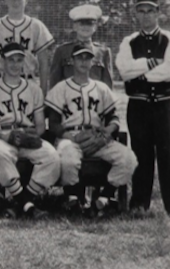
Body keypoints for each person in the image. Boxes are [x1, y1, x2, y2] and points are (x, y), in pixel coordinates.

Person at [45, 44, 137, 217]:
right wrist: (70, 137)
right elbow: (54, 123)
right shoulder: (61, 88)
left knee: (128, 159)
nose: (84, 61)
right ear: (72, 61)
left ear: (93, 62)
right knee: (68, 160)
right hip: (71, 136)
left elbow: (114, 118)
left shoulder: (101, 88)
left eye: (87, 58)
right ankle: (72, 199)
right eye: (80, 57)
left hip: (97, 136)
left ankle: (104, 197)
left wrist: (107, 133)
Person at [115, 0, 170, 219]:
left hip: (164, 106)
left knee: (169, 154)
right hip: (138, 107)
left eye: (150, 11)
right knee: (140, 154)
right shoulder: (129, 41)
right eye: (141, 11)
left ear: (158, 13)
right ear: (136, 14)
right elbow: (124, 71)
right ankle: (139, 204)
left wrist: (140, 74)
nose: (146, 16)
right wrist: (150, 64)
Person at [0, 42, 59, 219]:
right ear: (2, 62)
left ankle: (22, 201)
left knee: (52, 157)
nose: (15, 64)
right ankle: (27, 205)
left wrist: (33, 135)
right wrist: (4, 136)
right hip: (2, 134)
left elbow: (40, 124)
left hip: (27, 135)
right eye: (11, 60)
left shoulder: (34, 88)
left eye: (19, 60)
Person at [0, 0, 55, 95]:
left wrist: (43, 93)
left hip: (28, 82)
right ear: (5, 0)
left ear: (26, 0)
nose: (16, 2)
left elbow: (43, 63)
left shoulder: (36, 25)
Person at [49, 4, 113, 88]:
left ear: (95, 27)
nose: (85, 27)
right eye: (82, 23)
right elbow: (54, 83)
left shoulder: (103, 52)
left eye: (90, 24)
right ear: (74, 26)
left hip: (94, 98)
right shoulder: (62, 51)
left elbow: (107, 85)